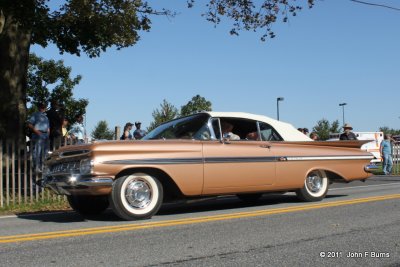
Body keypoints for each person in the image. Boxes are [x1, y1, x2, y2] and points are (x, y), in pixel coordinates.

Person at [27, 102, 50, 173]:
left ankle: (43, 167)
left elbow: (48, 126)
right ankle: (36, 167)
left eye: (44, 107)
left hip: (45, 135)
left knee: (45, 152)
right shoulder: (35, 115)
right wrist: (36, 131)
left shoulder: (46, 116)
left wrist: (48, 133)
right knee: (37, 151)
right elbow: (29, 124)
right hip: (38, 134)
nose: (43, 108)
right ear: (39, 107)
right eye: (42, 107)